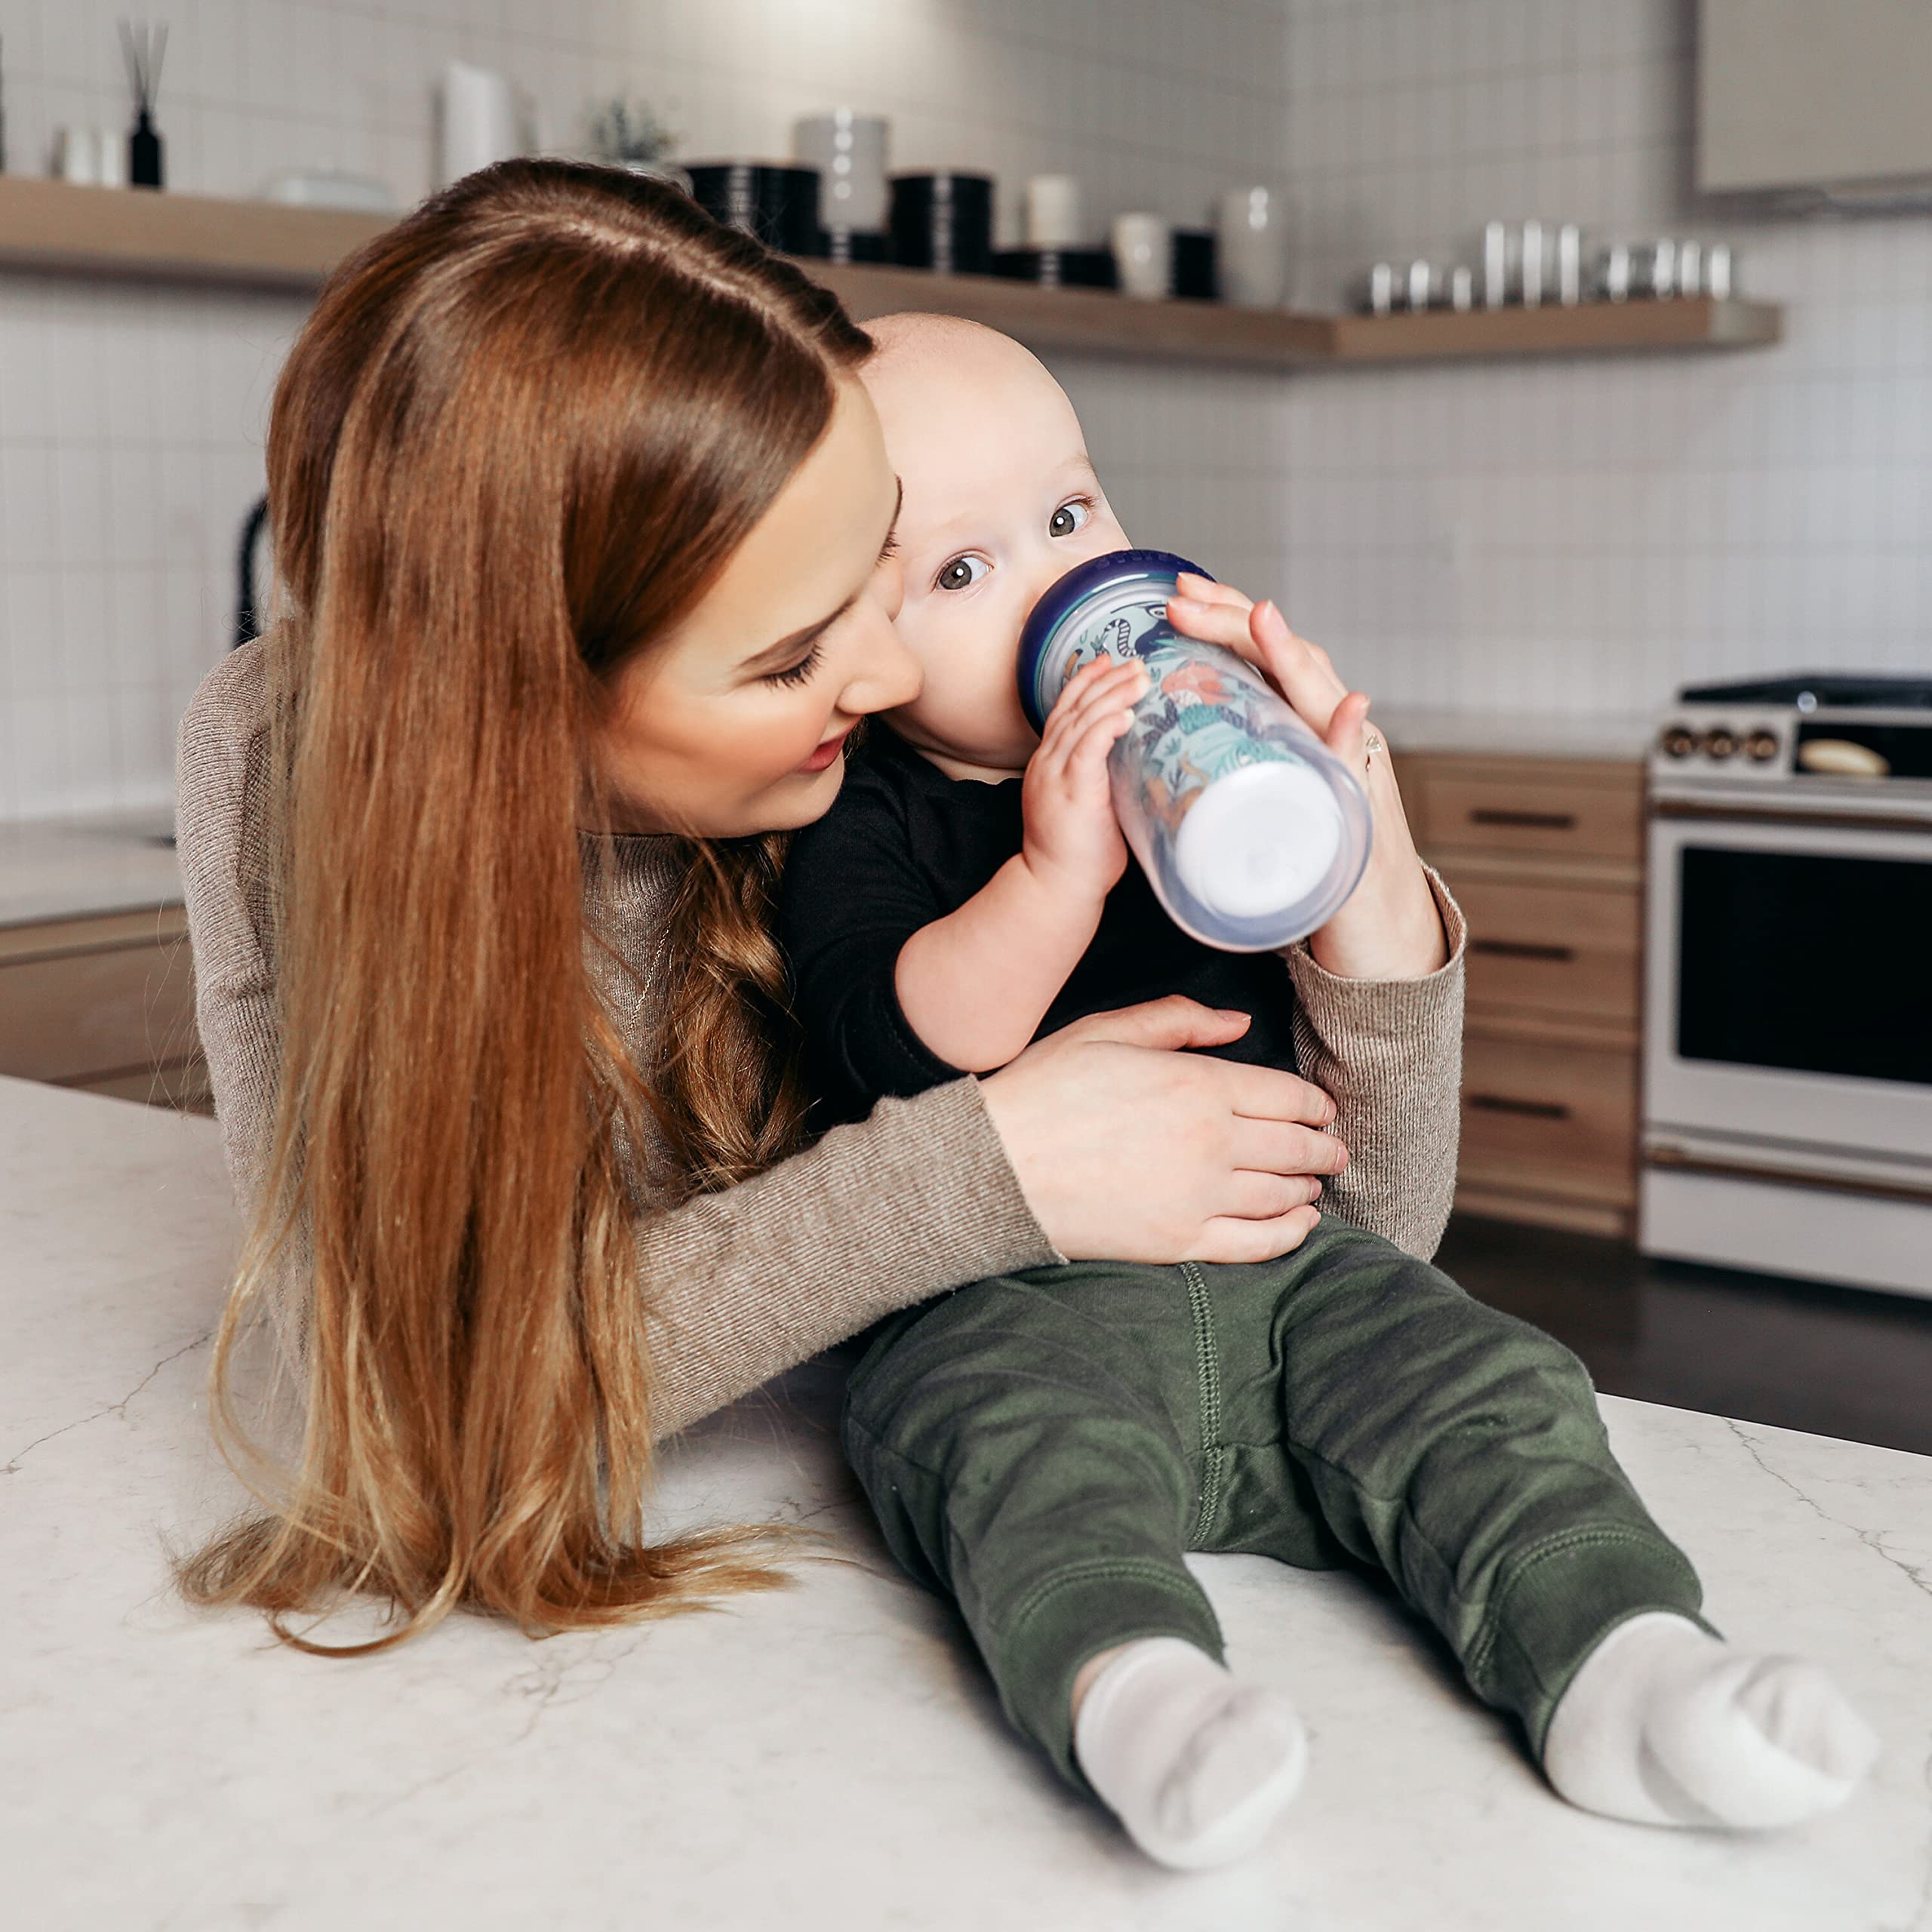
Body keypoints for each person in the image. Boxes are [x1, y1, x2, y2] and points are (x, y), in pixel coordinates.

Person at [172, 162, 1402, 1654]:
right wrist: (993, 1167)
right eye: (790, 658)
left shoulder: (907, 742)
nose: (889, 676)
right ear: (528, 700)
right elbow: (408, 1406)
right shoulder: (282, 758)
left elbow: (1354, 1244)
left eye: (880, 572)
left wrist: (1360, 882)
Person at [777, 313, 1879, 1869]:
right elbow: (899, 1042)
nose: (1050, 582)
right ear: (857, 647)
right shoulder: (865, 818)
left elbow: (1357, 1034)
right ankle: (1134, 1691)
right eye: (961, 569)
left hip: (1293, 1276)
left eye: (1071, 514)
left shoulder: (1199, 757)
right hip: (1012, 1302)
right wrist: (1051, 871)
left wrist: (1338, 799)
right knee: (1002, 1448)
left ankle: (1621, 1662)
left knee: (1487, 1382)